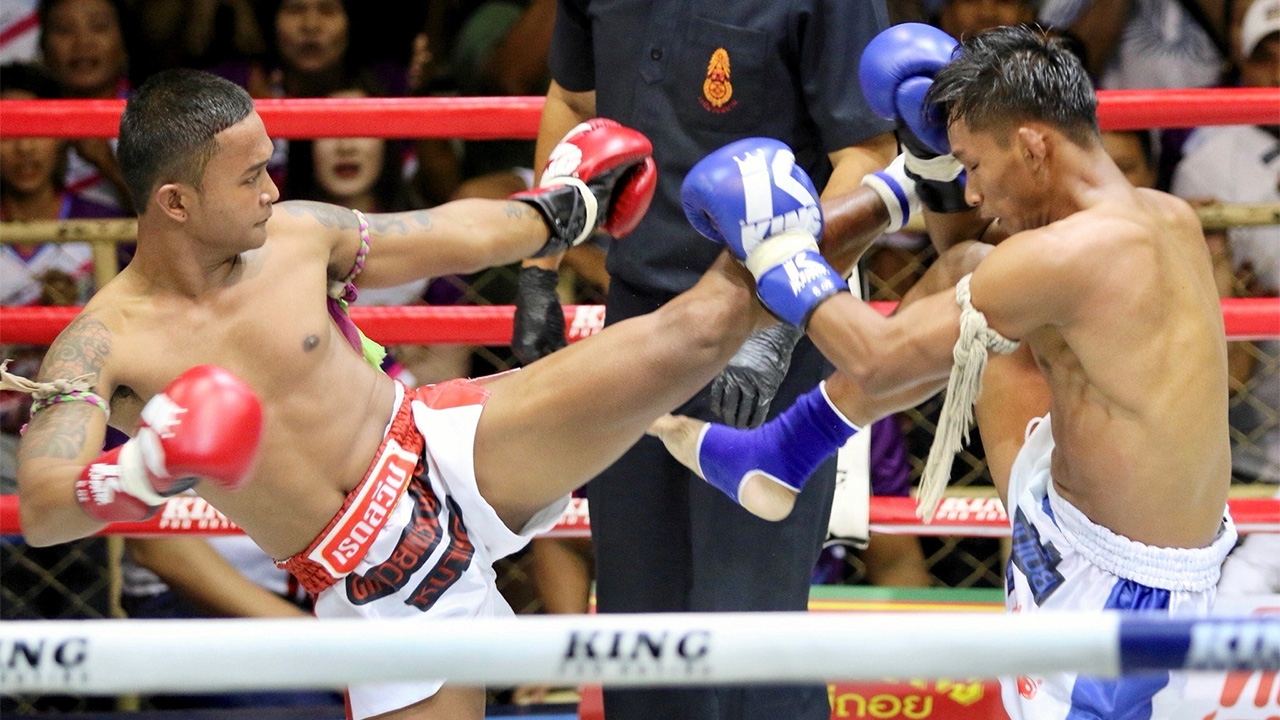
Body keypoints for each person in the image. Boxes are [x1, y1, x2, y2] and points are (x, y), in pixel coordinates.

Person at [2, 67, 911, 720]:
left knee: (704, 327)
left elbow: (451, 234)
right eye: (250, 176)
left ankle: (898, 190)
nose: (274, 187)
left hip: (447, 448)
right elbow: (43, 507)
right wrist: (147, 469)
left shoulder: (294, 234)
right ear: (173, 204)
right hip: (371, 576)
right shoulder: (105, 342)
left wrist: (564, 211)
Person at [655, 24, 1237, 718]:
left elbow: (875, 356)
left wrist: (779, 252)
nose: (972, 191)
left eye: (973, 166)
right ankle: (786, 451)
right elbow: (970, 269)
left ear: (1031, 145)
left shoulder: (1067, 257)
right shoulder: (1163, 216)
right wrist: (930, 165)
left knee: (952, 300)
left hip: (1121, 585)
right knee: (969, 267)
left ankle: (786, 449)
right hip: (1070, 501)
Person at [510, 1, 900, 717]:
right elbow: (572, 100)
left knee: (749, 630)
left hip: (765, 322)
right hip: (639, 326)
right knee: (638, 631)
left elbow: (868, 158)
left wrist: (782, 317)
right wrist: (542, 266)